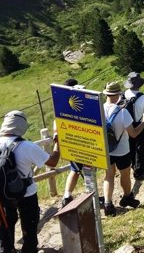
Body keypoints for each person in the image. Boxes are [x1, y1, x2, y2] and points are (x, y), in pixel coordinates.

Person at [0, 110, 59, 253]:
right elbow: (52, 162)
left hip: (2, 193)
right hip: (27, 192)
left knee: (6, 223)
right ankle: (29, 249)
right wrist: (57, 145)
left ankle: (6, 249)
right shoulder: (27, 146)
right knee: (29, 224)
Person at [102, 81, 141, 216]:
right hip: (122, 150)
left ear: (106, 94)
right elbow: (133, 133)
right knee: (125, 174)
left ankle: (107, 203)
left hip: (106, 150)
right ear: (118, 94)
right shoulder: (123, 112)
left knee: (109, 176)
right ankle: (127, 196)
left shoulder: (99, 111)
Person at [123, 72, 144, 180]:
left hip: (126, 125)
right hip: (139, 124)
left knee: (130, 147)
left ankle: (133, 167)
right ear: (139, 85)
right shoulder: (142, 98)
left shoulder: (124, 94)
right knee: (141, 149)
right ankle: (139, 171)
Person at [59, 78, 85, 208]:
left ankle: (67, 196)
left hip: (70, 143)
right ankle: (91, 194)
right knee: (82, 170)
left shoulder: (63, 104)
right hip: (83, 143)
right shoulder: (79, 103)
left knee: (75, 170)